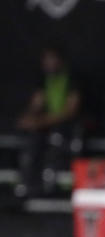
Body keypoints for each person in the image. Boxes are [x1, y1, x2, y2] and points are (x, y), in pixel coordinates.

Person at [15, 46, 82, 197]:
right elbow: (37, 102)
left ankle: (48, 187)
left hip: (66, 127)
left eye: (52, 59)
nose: (48, 63)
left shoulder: (71, 78)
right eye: (45, 60)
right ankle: (26, 185)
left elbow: (69, 111)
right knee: (31, 143)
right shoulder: (44, 78)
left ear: (60, 61)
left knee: (55, 143)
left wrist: (41, 122)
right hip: (46, 126)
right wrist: (28, 118)